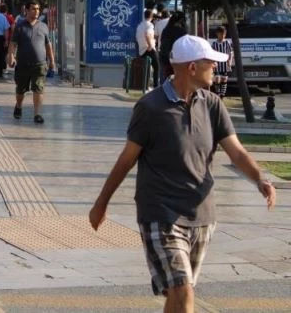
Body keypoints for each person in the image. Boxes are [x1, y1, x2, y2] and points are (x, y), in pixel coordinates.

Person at [89, 35, 276, 313]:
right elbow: (126, 160)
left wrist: (260, 178)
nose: (216, 67)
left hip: (202, 216)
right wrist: (102, 203)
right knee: (182, 288)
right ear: (191, 67)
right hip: (160, 213)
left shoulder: (213, 105)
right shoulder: (150, 108)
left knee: (177, 294)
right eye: (210, 63)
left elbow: (237, 152)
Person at [7, 1, 55, 124]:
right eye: (33, 9)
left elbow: (48, 45)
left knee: (38, 89)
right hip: (23, 64)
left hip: (39, 64)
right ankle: (18, 106)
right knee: (20, 90)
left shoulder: (43, 26)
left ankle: (37, 114)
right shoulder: (19, 26)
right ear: (27, 10)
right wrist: (11, 56)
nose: (37, 11)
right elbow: (13, 43)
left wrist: (52, 62)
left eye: (38, 9)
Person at [158, 12, 187, 83]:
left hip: (163, 57)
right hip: (176, 59)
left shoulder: (166, 30)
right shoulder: (181, 31)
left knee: (164, 80)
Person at [135, 9, 159, 89]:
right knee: (157, 67)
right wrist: (149, 45)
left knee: (145, 69)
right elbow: (147, 34)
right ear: (151, 17)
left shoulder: (140, 25)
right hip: (149, 49)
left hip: (142, 50)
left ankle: (144, 86)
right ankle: (156, 86)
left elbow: (137, 37)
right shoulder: (150, 25)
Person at [211, 25, 233, 98]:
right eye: (220, 34)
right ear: (217, 34)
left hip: (225, 63)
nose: (222, 36)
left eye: (223, 34)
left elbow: (230, 52)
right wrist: (213, 62)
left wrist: (230, 61)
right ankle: (218, 93)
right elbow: (212, 53)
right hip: (217, 64)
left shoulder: (227, 43)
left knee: (224, 79)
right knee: (217, 79)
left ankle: (222, 95)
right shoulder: (214, 44)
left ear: (225, 34)